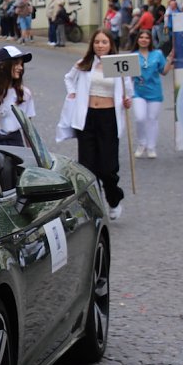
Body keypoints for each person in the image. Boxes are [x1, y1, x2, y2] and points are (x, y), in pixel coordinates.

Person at [57, 29, 133, 221]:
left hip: (109, 119)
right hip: (87, 118)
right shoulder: (84, 64)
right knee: (87, 166)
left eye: (104, 42)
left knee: (108, 168)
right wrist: (73, 93)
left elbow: (127, 89)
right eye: (97, 42)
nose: (100, 45)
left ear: (110, 45)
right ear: (92, 44)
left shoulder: (117, 64)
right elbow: (68, 78)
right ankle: (94, 204)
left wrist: (127, 100)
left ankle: (114, 199)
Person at [131, 30, 174, 159]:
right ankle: (141, 143)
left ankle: (151, 146)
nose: (144, 40)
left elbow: (164, 72)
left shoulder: (157, 54)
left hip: (154, 93)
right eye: (141, 37)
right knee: (140, 118)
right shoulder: (132, 56)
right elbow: (126, 76)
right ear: (137, 39)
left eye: (147, 38)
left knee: (152, 119)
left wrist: (169, 60)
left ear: (150, 40)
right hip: (138, 92)